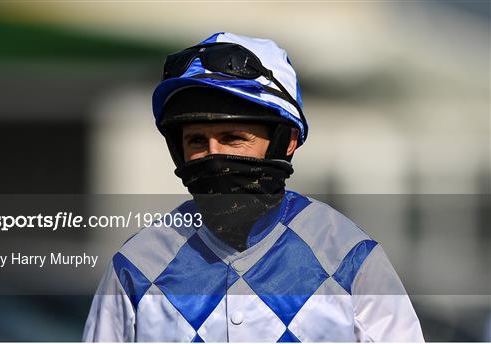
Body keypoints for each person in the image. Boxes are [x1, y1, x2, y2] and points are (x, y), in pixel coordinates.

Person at [83, 32, 424, 342]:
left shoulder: (350, 257)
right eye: (197, 141)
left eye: (233, 138)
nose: (214, 157)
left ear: (286, 140)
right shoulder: (136, 265)